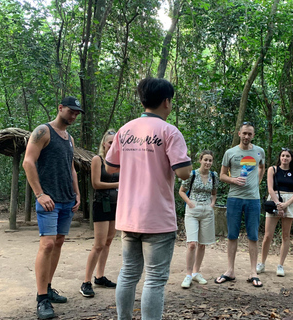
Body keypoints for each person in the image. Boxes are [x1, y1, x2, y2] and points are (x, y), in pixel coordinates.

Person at [105, 78, 192, 320]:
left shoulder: (125, 130)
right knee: (154, 279)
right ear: (166, 102)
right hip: (157, 218)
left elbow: (110, 166)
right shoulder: (170, 131)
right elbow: (183, 172)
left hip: (128, 216)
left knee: (128, 273)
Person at [22, 96, 83, 320]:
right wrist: (39, 194)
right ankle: (42, 300)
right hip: (48, 199)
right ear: (60, 108)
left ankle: (48, 287)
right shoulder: (43, 131)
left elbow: (72, 168)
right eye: (71, 111)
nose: (74, 115)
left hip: (67, 199)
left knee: (58, 242)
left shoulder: (69, 139)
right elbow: (28, 162)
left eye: (77, 113)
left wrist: (76, 193)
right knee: (46, 244)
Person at [215, 122, 265, 288]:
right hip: (234, 198)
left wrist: (257, 182)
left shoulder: (259, 151)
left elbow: (262, 167)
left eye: (249, 134)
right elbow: (222, 175)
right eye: (244, 133)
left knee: (253, 235)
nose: (246, 137)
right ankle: (230, 271)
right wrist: (233, 179)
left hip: (253, 199)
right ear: (239, 133)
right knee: (232, 235)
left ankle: (253, 272)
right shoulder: (230, 152)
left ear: (253, 135)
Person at [80, 130, 119, 298]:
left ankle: (100, 276)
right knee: (99, 244)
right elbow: (96, 184)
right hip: (101, 204)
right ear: (104, 143)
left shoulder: (119, 162)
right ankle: (86, 282)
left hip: (116, 204)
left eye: (115, 143)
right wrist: (119, 183)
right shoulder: (97, 160)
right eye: (110, 142)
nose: (112, 145)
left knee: (108, 242)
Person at [257, 148, 293, 277]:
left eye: (287, 156)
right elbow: (270, 188)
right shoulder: (273, 169)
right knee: (267, 235)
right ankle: (262, 263)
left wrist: (286, 204)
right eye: (283, 156)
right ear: (280, 157)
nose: (285, 158)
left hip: (289, 201)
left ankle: (280, 265)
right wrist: (278, 204)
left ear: (291, 158)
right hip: (274, 200)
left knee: (285, 236)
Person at [178, 150, 219, 288]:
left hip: (207, 210)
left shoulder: (214, 176)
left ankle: (196, 272)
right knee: (192, 244)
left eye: (210, 160)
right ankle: (188, 274)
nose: (208, 163)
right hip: (193, 210)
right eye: (205, 160)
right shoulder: (192, 174)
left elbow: (214, 193)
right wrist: (189, 203)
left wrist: (212, 203)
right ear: (200, 160)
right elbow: (181, 191)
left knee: (202, 244)